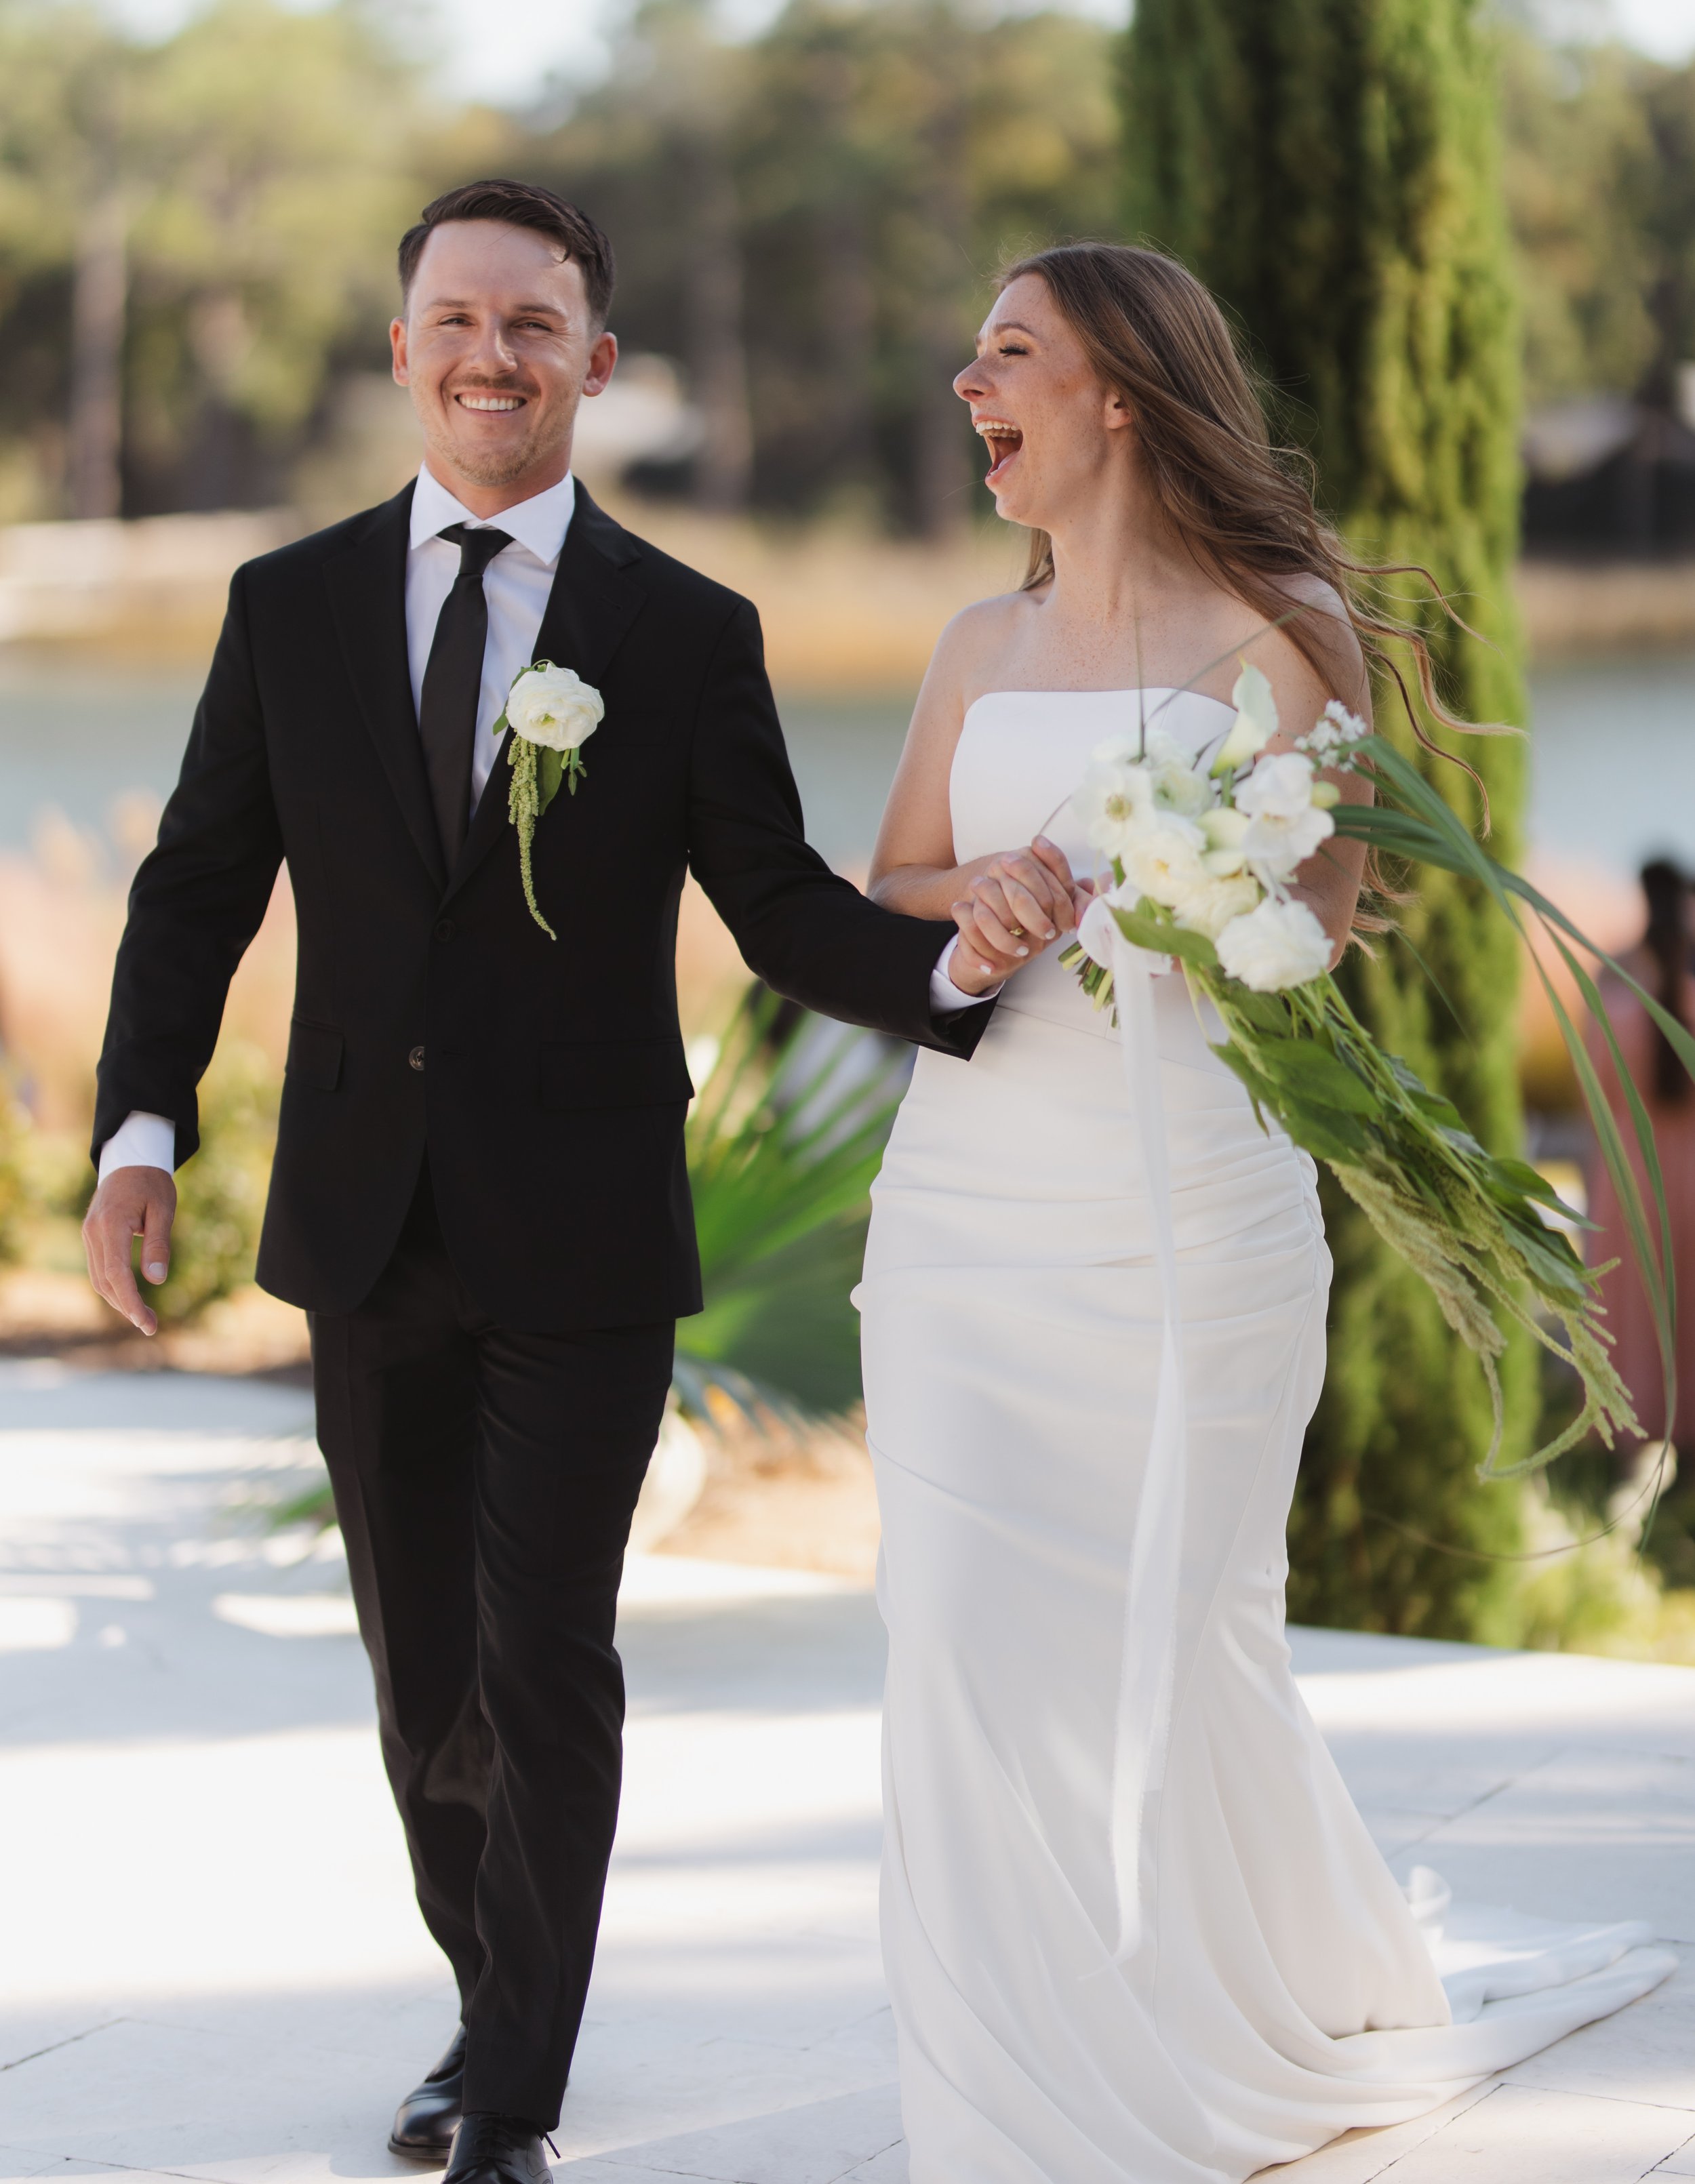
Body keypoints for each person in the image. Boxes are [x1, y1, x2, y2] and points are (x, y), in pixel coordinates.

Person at [80, 180, 1012, 2184]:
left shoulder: (681, 631)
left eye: (532, 323)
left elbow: (768, 904)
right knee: (422, 1672)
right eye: (453, 317)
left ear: (592, 362)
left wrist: (950, 971)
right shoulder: (288, 604)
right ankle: (479, 1981)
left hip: (583, 1230)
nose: (489, 353)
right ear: (401, 347)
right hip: (359, 1216)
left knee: (543, 1652)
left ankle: (510, 2084)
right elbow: (192, 894)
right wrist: (138, 1131)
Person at [856, 241, 1674, 2182]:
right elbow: (882, 874)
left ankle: (1228, 1998)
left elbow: (1310, 930)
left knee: (1185, 1623)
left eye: (1006, 352)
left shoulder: (1279, 626)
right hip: (969, 1210)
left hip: (1190, 1211)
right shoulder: (978, 642)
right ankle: (1000, 2095)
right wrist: (983, 893)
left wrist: (1186, 896)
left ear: (1118, 393)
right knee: (956, 1628)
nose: (967, 383)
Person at [1587, 857, 1695, 1450]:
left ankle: (1631, 1423)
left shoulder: (1614, 978)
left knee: (1631, 1297)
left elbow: (1595, 1082)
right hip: (1690, 1168)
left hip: (1630, 1167)